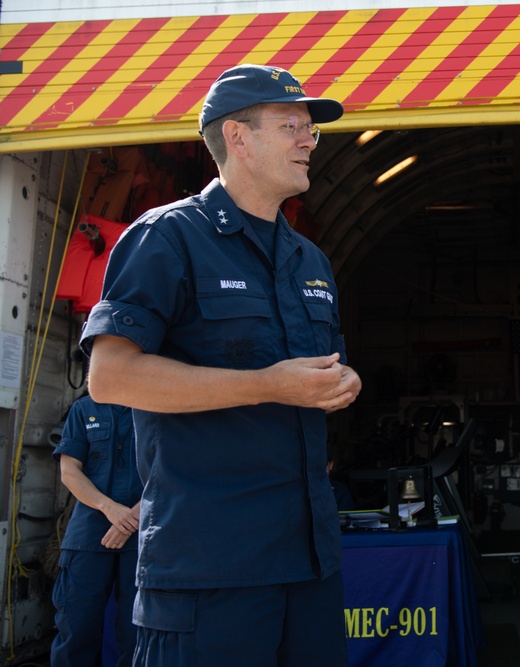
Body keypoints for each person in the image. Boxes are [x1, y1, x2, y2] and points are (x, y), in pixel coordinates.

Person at [81, 64, 362, 667]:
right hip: (210, 570)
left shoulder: (308, 258)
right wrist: (266, 386)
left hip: (309, 564)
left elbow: (321, 367)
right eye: (292, 126)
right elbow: (110, 377)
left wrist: (342, 381)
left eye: (309, 129)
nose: (309, 140)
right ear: (237, 137)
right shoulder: (167, 237)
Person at [50, 393, 142, 667]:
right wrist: (109, 508)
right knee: (75, 626)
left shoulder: (157, 408)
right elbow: (69, 472)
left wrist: (131, 519)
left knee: (137, 632)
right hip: (89, 535)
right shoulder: (83, 409)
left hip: (142, 537)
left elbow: (166, 471)